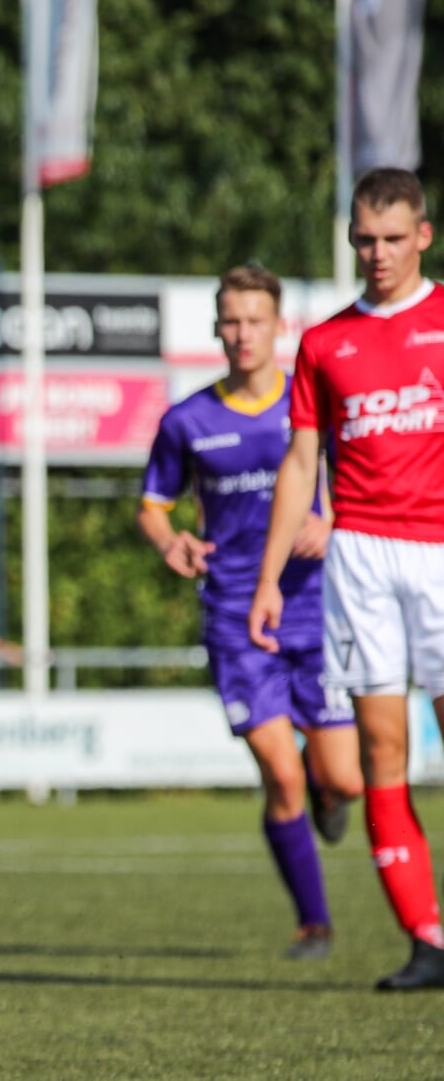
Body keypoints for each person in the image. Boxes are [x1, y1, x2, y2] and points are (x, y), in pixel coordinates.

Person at [252, 167, 444, 990]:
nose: (378, 254)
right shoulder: (326, 343)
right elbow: (301, 465)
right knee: (381, 750)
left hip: (438, 548)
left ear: (423, 236)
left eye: (393, 238)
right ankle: (428, 940)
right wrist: (268, 578)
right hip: (359, 555)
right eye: (365, 239)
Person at [140, 264, 361, 960]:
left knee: (344, 778)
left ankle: (330, 796)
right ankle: (313, 923)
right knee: (282, 772)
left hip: (317, 608)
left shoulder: (313, 403)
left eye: (255, 320)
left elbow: (363, 476)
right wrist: (169, 537)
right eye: (231, 321)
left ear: (278, 326)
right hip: (236, 614)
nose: (242, 333)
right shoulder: (188, 420)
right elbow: (153, 505)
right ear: (216, 327)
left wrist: (335, 520)